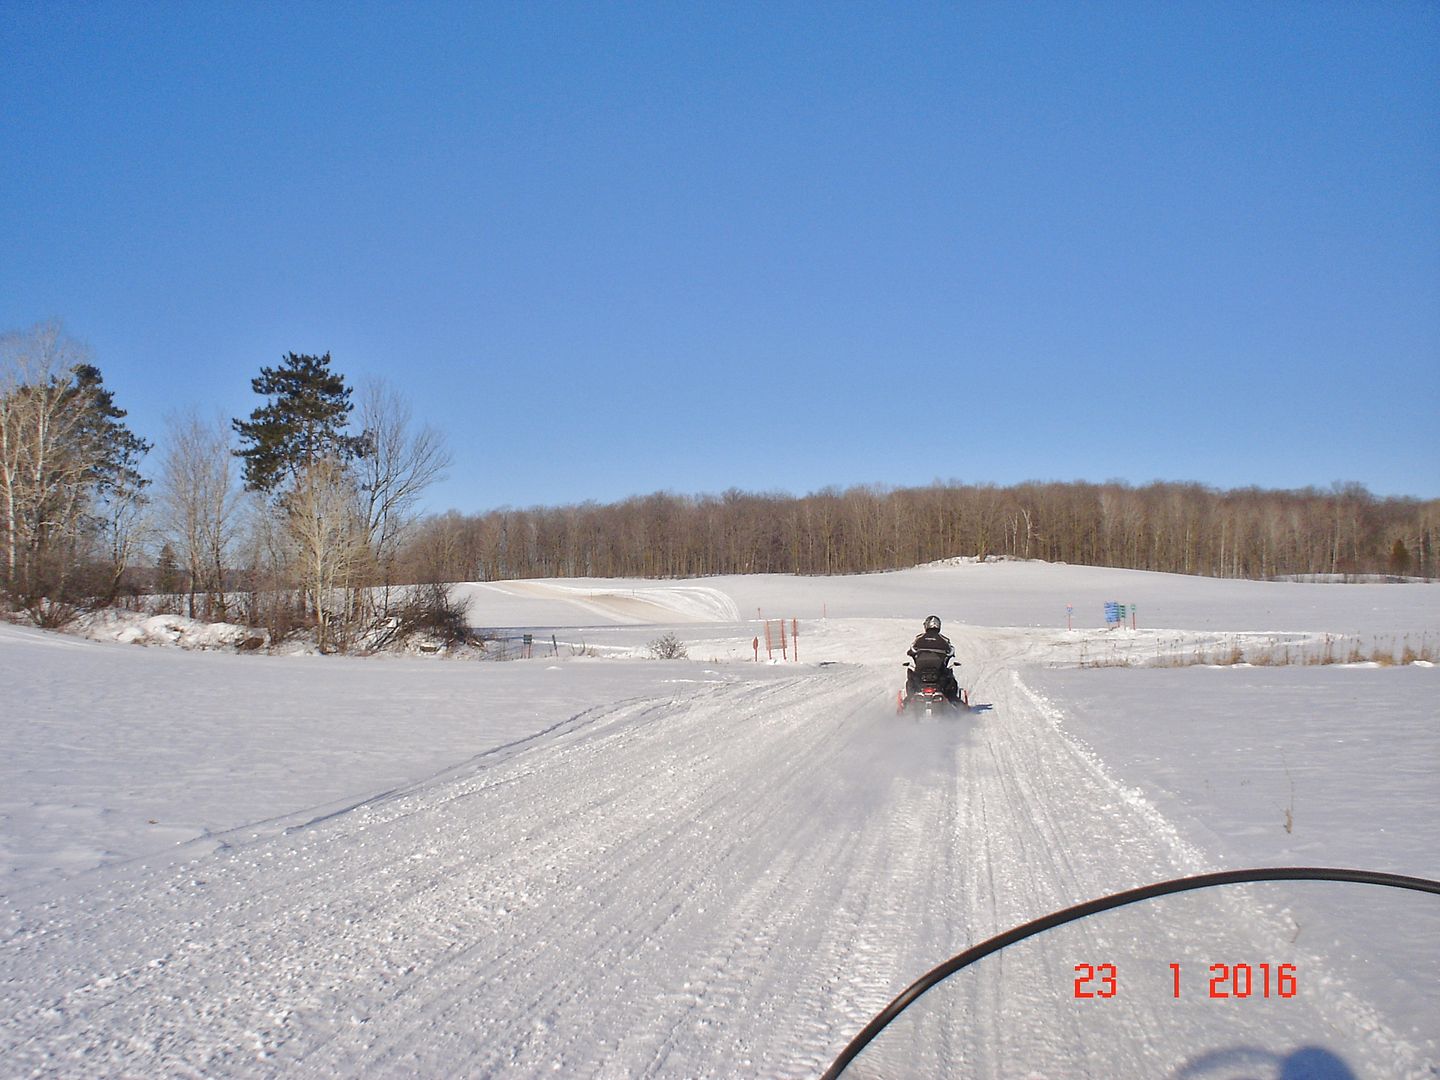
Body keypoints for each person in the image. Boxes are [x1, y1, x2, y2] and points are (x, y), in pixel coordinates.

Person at [906, 614, 961, 703]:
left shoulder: (919, 638)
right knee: (950, 678)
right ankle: (955, 702)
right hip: (938, 672)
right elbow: (951, 651)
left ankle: (908, 701)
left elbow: (911, 650)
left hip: (920, 673)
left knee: (911, 677)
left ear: (926, 625)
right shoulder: (944, 639)